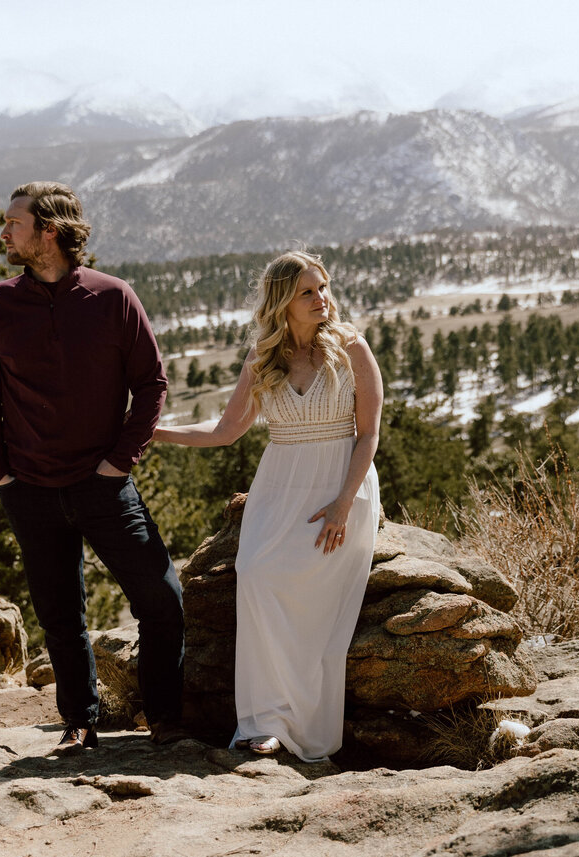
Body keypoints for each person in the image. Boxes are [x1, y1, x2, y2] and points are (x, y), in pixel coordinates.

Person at [0, 181, 185, 756]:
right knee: (61, 617)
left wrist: (118, 463)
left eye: (14, 223)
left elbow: (151, 385)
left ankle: (166, 718)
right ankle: (79, 722)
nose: (4, 233)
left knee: (163, 600)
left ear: (49, 232)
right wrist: (1, 475)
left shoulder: (113, 298)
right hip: (30, 490)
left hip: (104, 486)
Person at [153, 250, 382, 762]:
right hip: (278, 488)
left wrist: (344, 503)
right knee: (256, 574)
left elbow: (368, 434)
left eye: (323, 287)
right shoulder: (263, 359)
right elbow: (225, 430)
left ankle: (303, 721)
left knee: (314, 597)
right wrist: (156, 433)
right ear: (283, 300)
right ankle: (265, 721)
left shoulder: (352, 349)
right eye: (307, 291)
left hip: (339, 486)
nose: (321, 298)